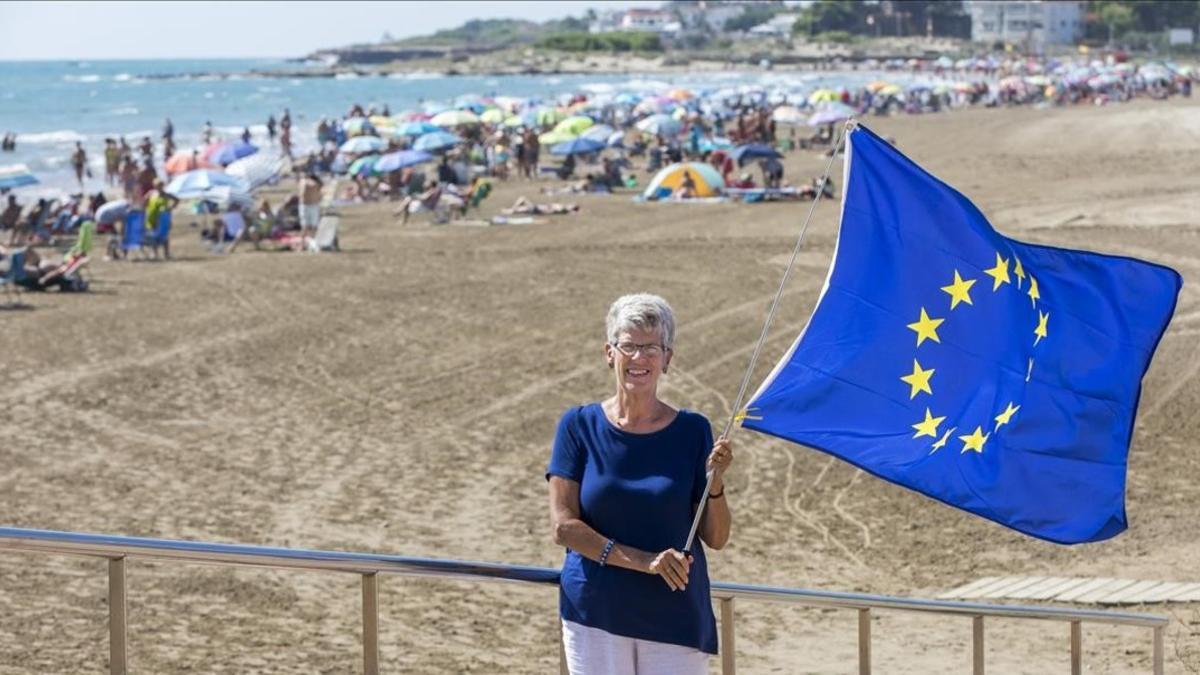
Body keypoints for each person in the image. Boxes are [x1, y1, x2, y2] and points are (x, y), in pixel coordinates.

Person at [547, 294, 732, 674]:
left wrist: (716, 483)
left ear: (667, 359)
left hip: (675, 616)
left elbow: (716, 537)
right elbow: (564, 527)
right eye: (628, 345)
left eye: (651, 348)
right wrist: (645, 562)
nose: (639, 358)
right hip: (596, 614)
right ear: (609, 353)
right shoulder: (578, 426)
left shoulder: (693, 430)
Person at [143, 179, 178, 259]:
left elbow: (176, 200)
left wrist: (171, 208)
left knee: (164, 236)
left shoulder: (166, 194)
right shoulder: (151, 193)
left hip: (162, 218)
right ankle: (154, 253)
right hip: (152, 216)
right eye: (157, 185)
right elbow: (144, 201)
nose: (159, 187)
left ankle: (166, 253)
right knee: (152, 235)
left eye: (161, 185)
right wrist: (146, 207)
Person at [297, 172, 322, 240]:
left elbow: (319, 194)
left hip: (313, 205)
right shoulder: (304, 182)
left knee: (313, 226)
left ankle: (311, 241)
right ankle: (302, 243)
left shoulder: (315, 184)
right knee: (305, 226)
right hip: (306, 205)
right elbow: (303, 193)